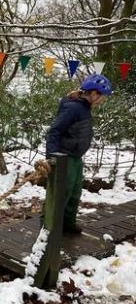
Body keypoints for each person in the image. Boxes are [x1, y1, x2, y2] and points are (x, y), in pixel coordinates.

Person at [44, 73, 112, 234]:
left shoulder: (84, 107)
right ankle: (48, 229)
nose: (103, 100)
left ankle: (67, 224)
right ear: (94, 93)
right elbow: (54, 131)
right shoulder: (73, 108)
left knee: (74, 193)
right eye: (103, 96)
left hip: (75, 157)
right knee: (60, 193)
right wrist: (52, 158)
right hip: (63, 157)